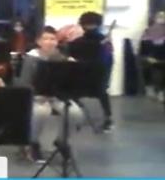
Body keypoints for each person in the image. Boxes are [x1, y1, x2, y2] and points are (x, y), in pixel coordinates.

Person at [16, 26, 84, 163]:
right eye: (45, 39)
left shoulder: (61, 57)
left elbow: (68, 82)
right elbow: (24, 83)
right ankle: (32, 143)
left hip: (56, 96)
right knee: (41, 111)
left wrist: (73, 67)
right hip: (36, 96)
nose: (49, 42)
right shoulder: (31, 58)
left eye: (52, 39)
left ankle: (61, 140)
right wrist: (36, 95)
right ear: (38, 41)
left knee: (75, 113)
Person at [71, 11, 114, 131]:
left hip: (99, 73)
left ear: (98, 25)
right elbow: (71, 53)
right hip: (81, 73)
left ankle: (108, 118)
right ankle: (75, 117)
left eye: (92, 24)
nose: (90, 27)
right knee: (72, 94)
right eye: (87, 24)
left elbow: (108, 60)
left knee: (102, 93)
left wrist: (106, 78)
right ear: (83, 25)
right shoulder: (78, 41)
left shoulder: (104, 41)